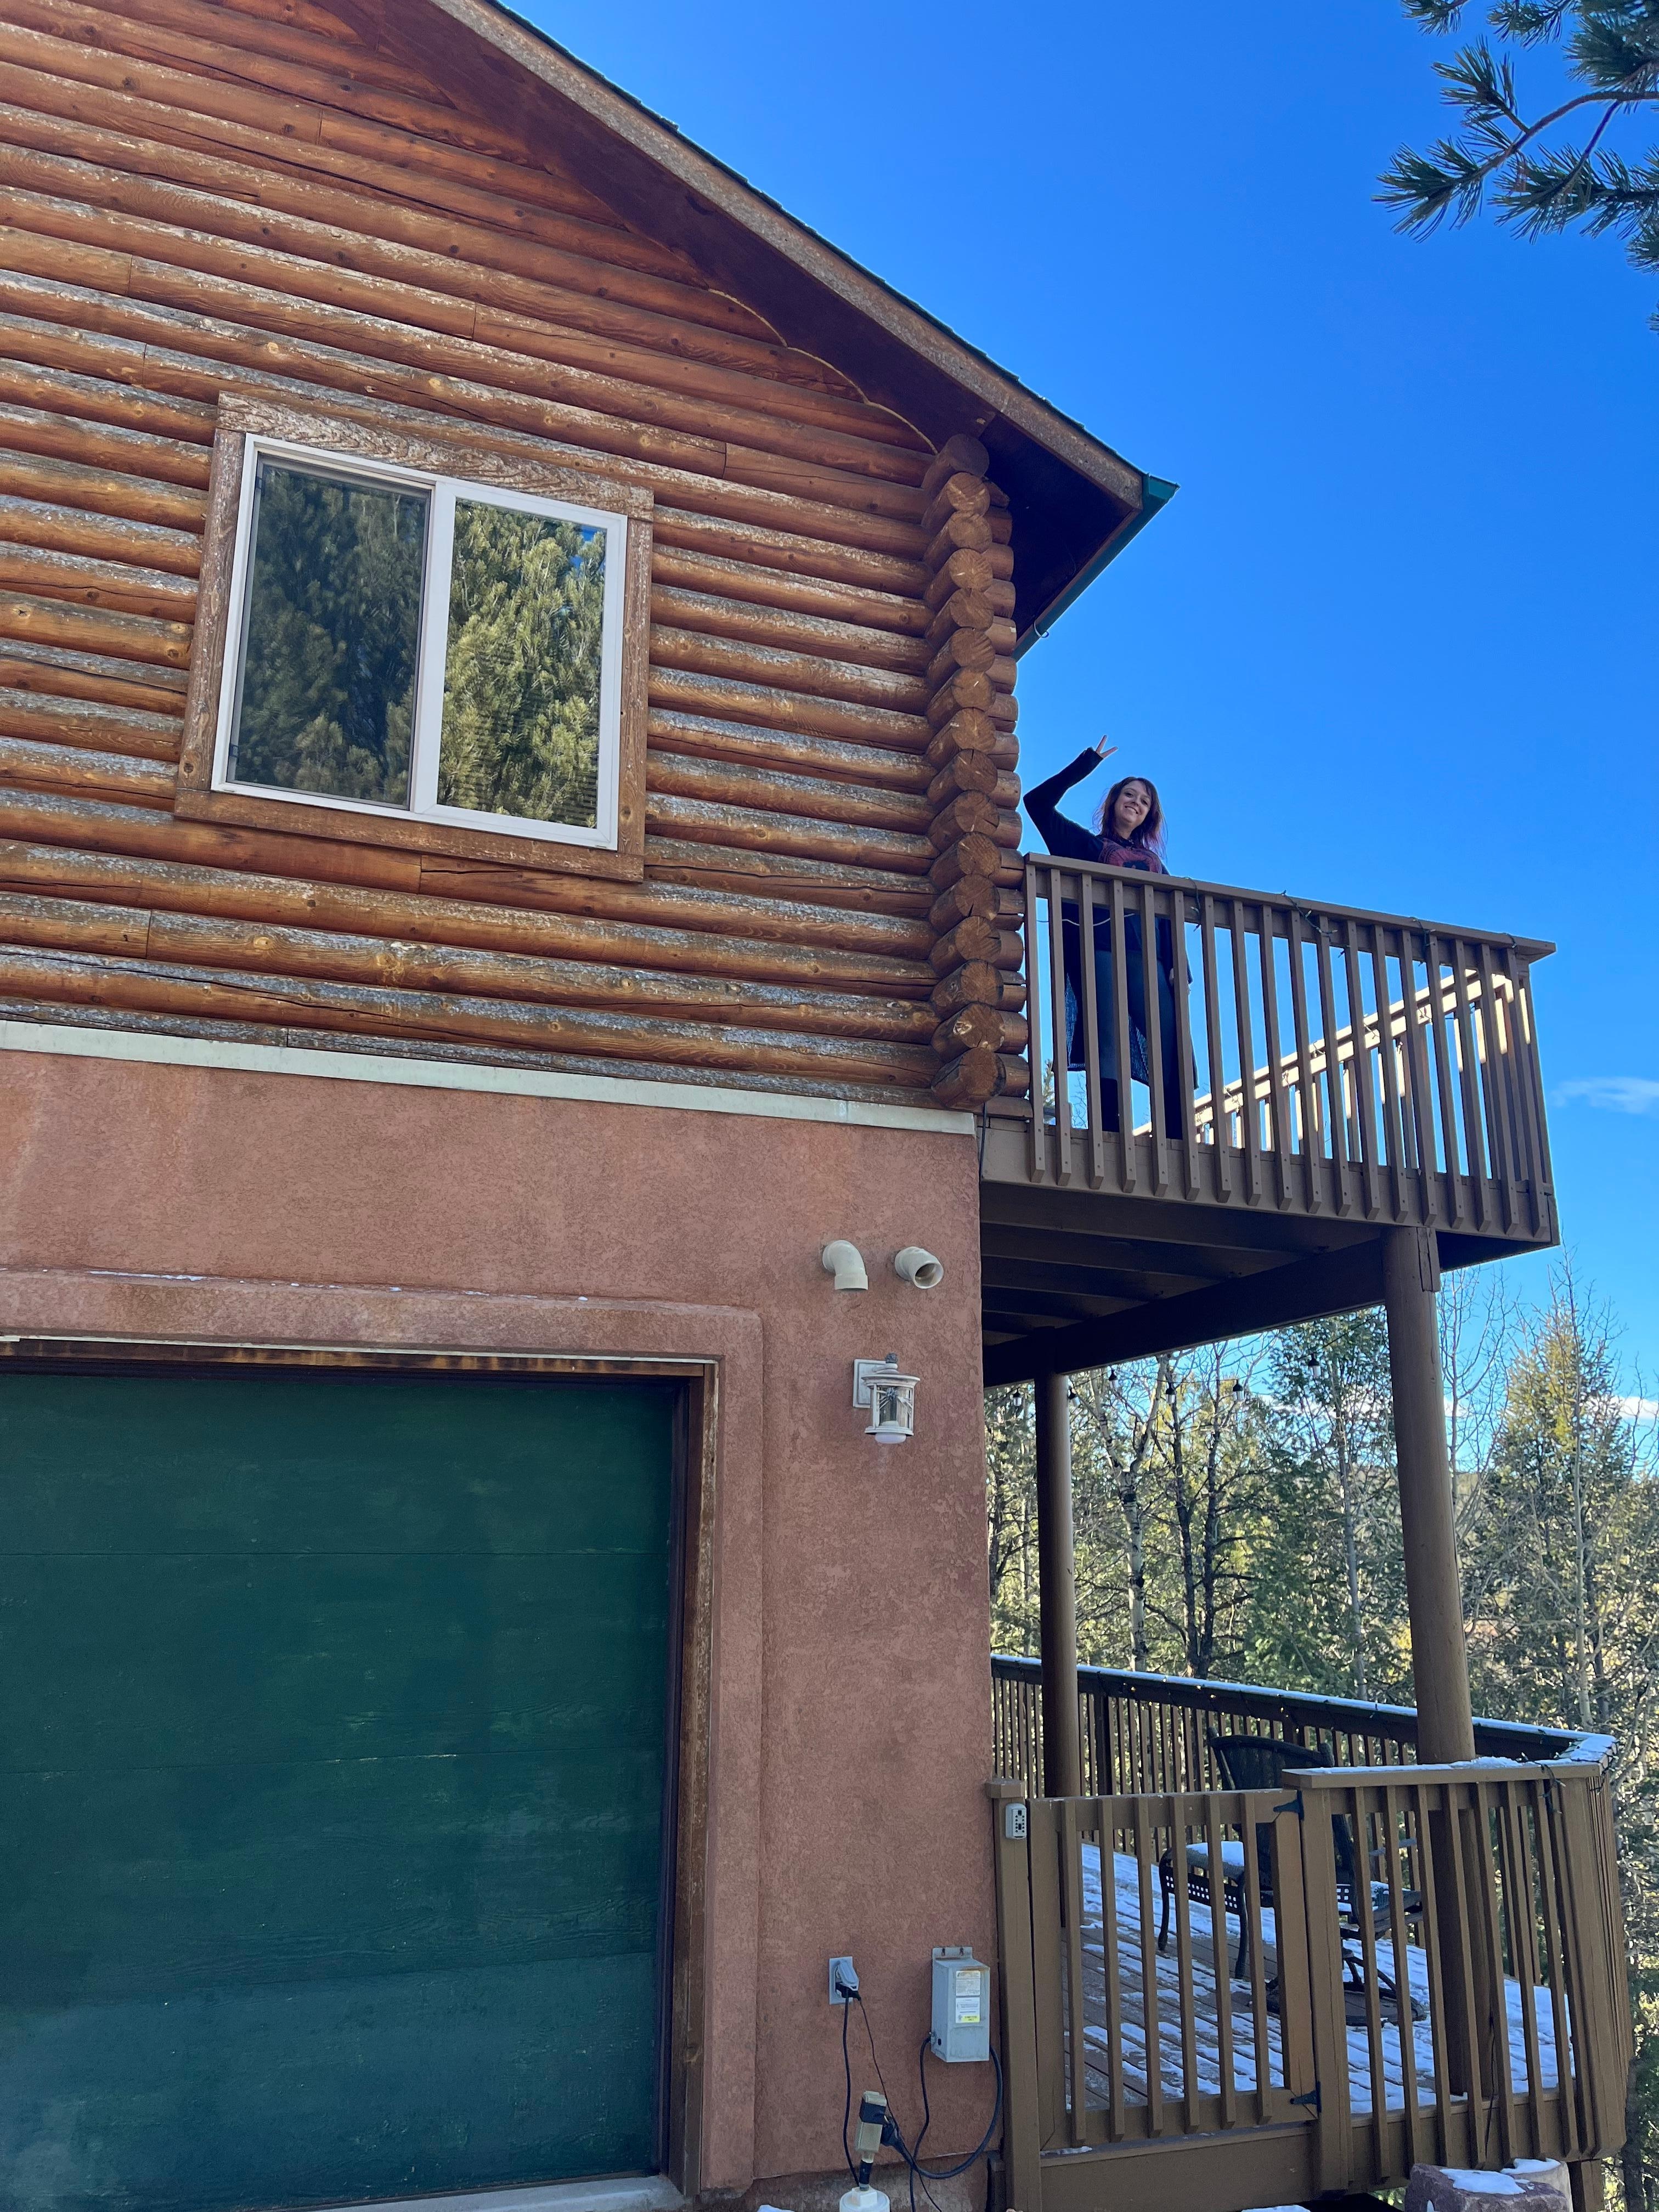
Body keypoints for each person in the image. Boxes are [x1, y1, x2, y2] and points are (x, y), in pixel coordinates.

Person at [1023, 737, 1183, 1139]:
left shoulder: (1155, 865)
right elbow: (1036, 803)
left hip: (1148, 957)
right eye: (1129, 795)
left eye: (1144, 801)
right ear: (1113, 801)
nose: (1136, 803)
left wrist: (1177, 965)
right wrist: (1086, 764)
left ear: (1149, 815)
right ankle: (1110, 1133)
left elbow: (1170, 918)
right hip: (1099, 950)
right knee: (1106, 1040)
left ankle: (1176, 1137)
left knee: (1168, 1039)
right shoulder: (1086, 846)